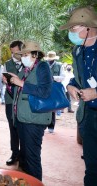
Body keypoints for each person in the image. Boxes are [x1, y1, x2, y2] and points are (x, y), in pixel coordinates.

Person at [59, 6, 97, 186]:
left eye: (73, 28)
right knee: (91, 166)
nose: (71, 33)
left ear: (87, 27)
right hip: (88, 116)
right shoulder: (77, 50)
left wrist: (96, 92)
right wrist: (71, 85)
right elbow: (78, 77)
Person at [8, 41, 52, 181]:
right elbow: (19, 91)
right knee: (25, 157)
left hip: (34, 119)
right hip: (23, 118)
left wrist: (20, 83)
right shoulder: (26, 69)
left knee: (32, 158)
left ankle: (35, 182)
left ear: (35, 54)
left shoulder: (42, 67)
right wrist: (10, 82)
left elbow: (45, 91)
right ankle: (27, 182)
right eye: (22, 55)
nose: (23, 57)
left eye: (26, 54)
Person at [2, 40, 23, 166]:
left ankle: (25, 155)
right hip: (10, 100)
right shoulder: (7, 64)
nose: (14, 54)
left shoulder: (28, 64)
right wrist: (5, 80)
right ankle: (14, 153)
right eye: (12, 52)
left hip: (24, 101)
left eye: (16, 52)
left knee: (24, 128)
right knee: (12, 127)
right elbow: (4, 79)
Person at [44, 51, 65, 133]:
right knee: (44, 106)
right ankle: (43, 124)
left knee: (52, 108)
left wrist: (53, 77)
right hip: (44, 87)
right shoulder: (44, 64)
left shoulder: (59, 65)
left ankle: (51, 126)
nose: (50, 60)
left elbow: (62, 77)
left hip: (54, 88)